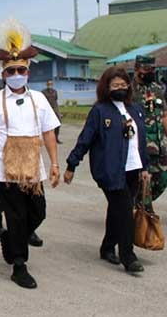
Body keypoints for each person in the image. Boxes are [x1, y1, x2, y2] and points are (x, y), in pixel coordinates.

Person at [0, 18, 60, 289]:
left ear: (27, 71)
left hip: (34, 171)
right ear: (3, 74)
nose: (15, 75)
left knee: (39, 213)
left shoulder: (39, 99)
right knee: (16, 216)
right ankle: (19, 265)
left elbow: (48, 133)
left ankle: (12, 239)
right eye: (10, 71)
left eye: (19, 70)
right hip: (6, 172)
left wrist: (55, 163)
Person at [65, 66, 149, 273]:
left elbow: (142, 141)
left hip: (133, 168)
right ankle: (128, 256)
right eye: (115, 85)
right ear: (106, 87)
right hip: (109, 170)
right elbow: (85, 139)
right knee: (125, 212)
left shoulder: (135, 109)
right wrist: (71, 164)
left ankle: (107, 247)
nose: (120, 88)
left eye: (123, 85)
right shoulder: (100, 111)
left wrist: (145, 167)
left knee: (118, 209)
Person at [131, 55, 167, 202]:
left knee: (163, 179)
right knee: (141, 180)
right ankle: (137, 211)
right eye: (146, 69)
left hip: (160, 144)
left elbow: (164, 114)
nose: (150, 72)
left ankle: (140, 205)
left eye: (152, 69)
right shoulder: (129, 90)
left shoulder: (157, 89)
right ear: (136, 69)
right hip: (141, 145)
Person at [41, 79, 62, 144]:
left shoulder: (55, 91)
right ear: (47, 85)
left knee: (58, 124)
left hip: (55, 109)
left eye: (51, 84)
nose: (50, 85)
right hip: (47, 109)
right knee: (47, 125)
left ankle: (56, 138)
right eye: (49, 84)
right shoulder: (43, 92)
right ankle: (46, 139)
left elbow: (56, 99)